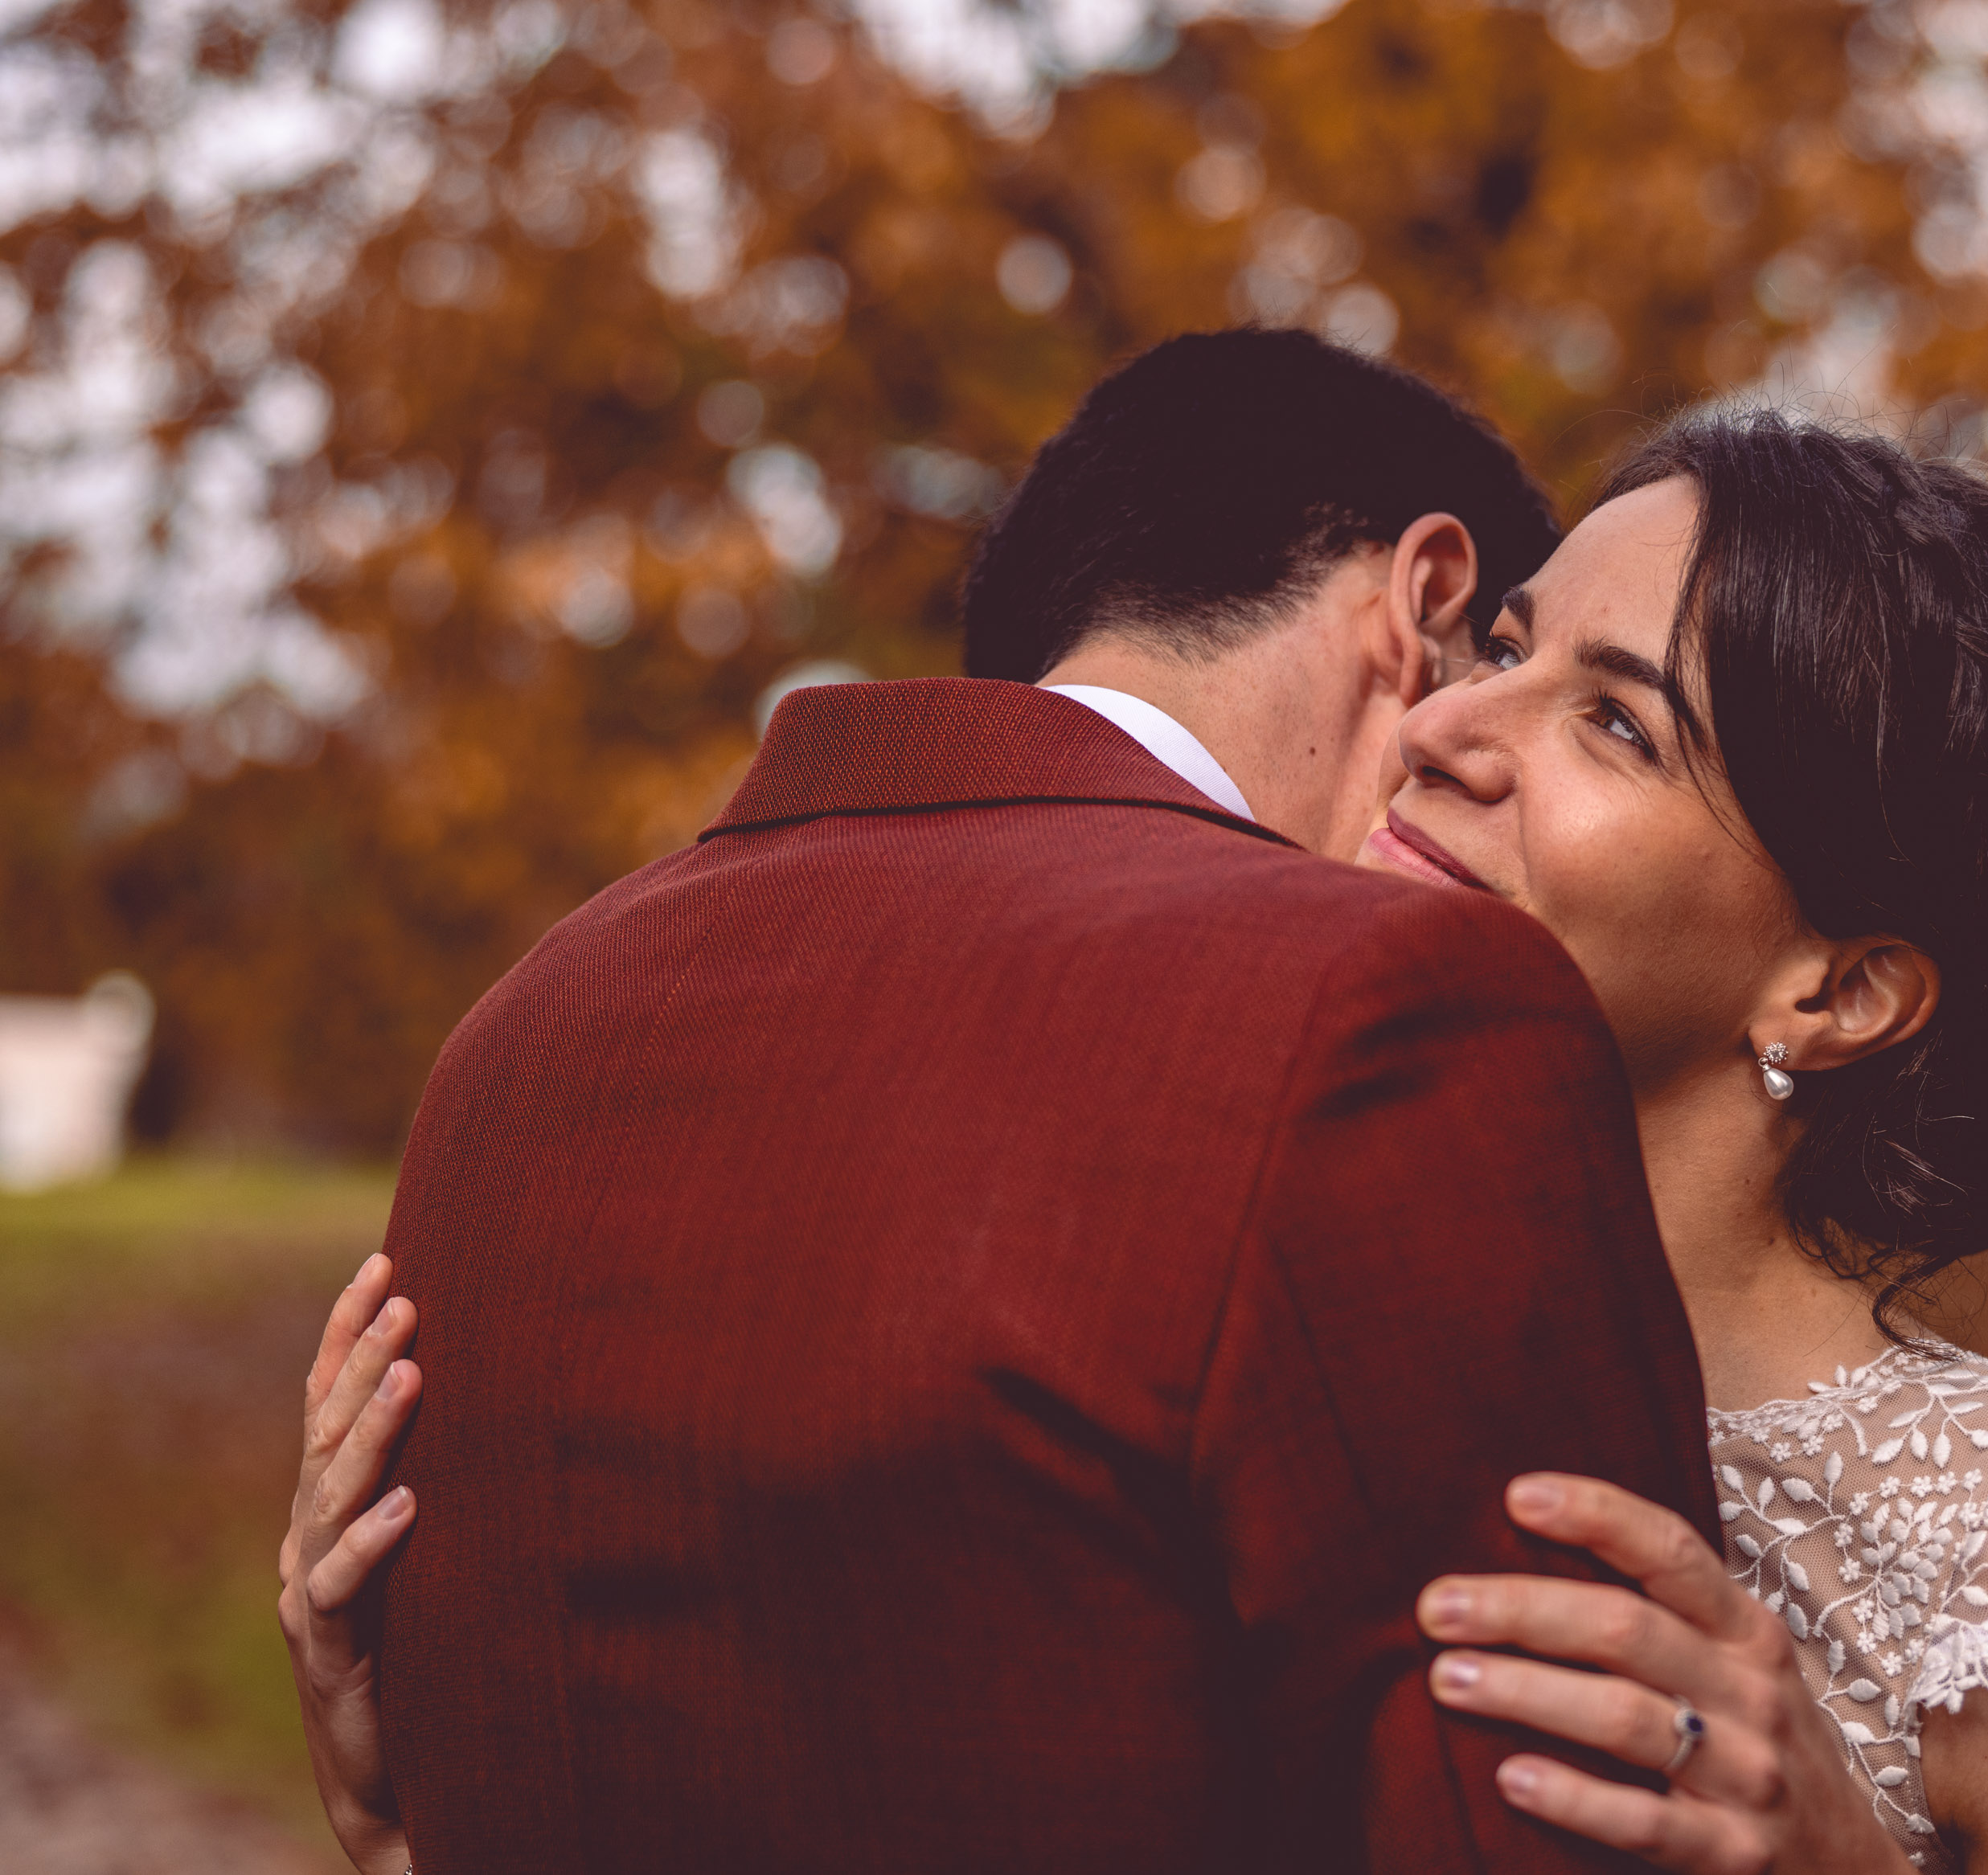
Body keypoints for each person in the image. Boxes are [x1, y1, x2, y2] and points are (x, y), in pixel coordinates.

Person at [289, 388, 1988, 1872]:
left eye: (1613, 723)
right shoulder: (1206, 1289)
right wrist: (417, 1798)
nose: (1442, 724)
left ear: (1837, 992)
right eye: (1503, 643)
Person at [280, 327, 1723, 1875]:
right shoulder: (1382, 1006)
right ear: (1422, 600)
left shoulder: (518, 1034)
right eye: (1499, 654)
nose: (1473, 743)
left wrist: (384, 1827)